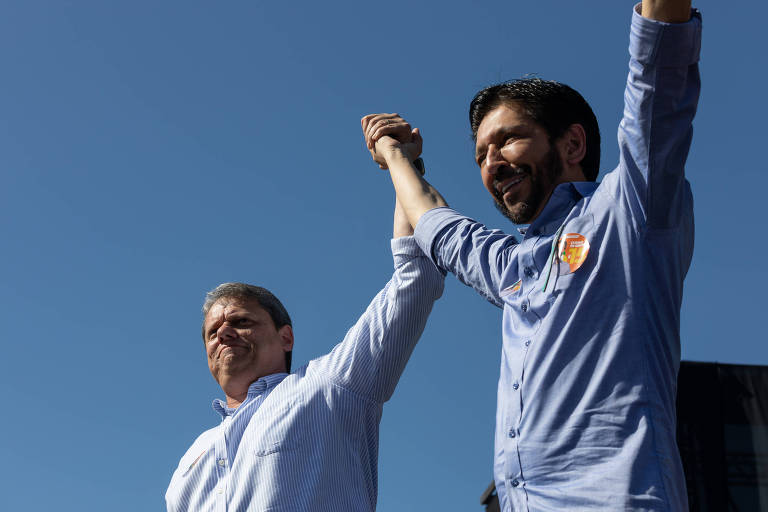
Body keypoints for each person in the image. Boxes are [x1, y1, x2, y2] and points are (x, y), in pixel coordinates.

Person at [362, 0, 700, 509]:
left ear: (572, 144)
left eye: (508, 140)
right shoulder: (513, 268)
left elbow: (658, 78)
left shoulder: (631, 209)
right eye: (481, 155)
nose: (492, 164)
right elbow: (436, 223)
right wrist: (395, 157)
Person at [165, 198, 444, 511]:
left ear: (286, 337)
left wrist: (399, 161)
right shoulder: (192, 457)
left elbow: (415, 275)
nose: (224, 335)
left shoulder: (327, 386)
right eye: (212, 333)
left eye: (241, 322)